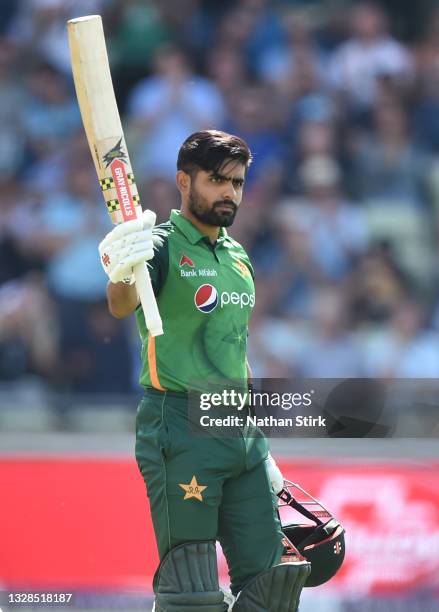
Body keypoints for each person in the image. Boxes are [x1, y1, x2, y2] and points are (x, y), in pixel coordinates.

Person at [98, 130, 310, 611]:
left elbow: (235, 349)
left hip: (239, 428)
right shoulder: (158, 246)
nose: (230, 193)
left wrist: (260, 448)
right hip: (178, 425)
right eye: (217, 181)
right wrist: (119, 270)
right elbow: (123, 302)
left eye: (237, 182)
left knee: (272, 588)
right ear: (183, 181)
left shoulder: (237, 257)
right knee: (189, 592)